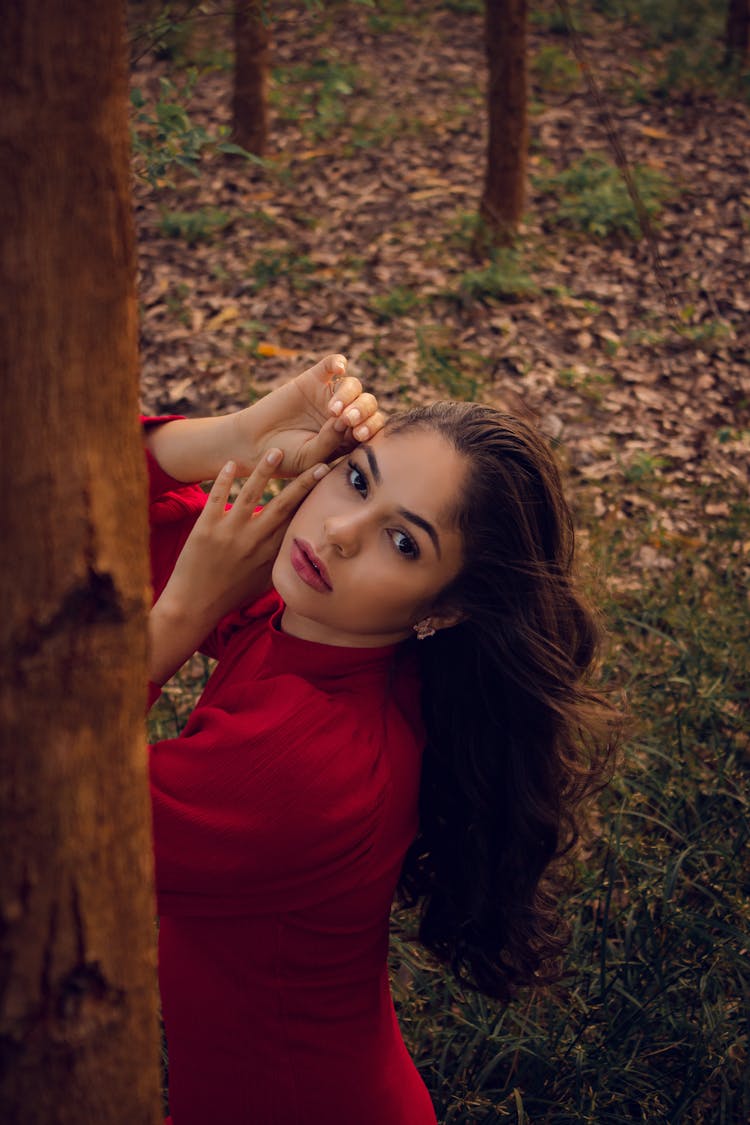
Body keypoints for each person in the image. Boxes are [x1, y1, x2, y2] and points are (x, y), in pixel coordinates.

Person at [143, 355, 615, 1125]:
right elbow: (71, 501)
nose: (336, 533)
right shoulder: (320, 616)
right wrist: (240, 433)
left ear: (448, 608)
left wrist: (177, 617)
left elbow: (42, 816)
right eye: (358, 479)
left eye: (403, 543)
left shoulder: (310, 762)